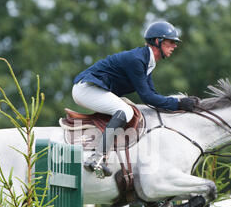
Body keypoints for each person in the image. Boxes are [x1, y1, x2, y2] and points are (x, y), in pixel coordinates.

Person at [72, 21, 198, 178]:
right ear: (158, 41)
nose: (175, 46)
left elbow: (152, 94)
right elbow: (147, 97)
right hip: (86, 89)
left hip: (94, 89)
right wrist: (178, 103)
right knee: (125, 110)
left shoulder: (147, 62)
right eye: (171, 42)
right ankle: (96, 158)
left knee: (128, 108)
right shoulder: (137, 60)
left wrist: (178, 105)